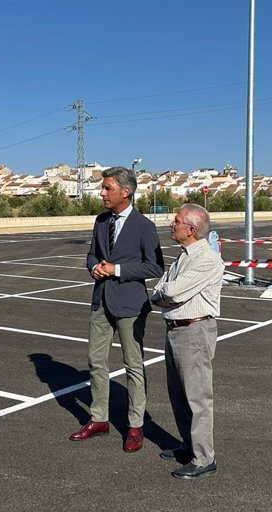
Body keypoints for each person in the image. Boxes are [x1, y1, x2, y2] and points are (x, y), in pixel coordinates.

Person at [70, 166, 164, 453]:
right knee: (95, 361)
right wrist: (94, 267)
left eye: (107, 188)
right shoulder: (100, 221)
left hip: (130, 304)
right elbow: (91, 254)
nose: (102, 193)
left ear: (126, 192)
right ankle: (99, 419)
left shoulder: (144, 226)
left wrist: (117, 269)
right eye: (103, 188)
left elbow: (155, 266)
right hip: (101, 301)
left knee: (133, 365)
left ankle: (135, 425)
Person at [150, 203, 224, 479]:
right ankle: (189, 445)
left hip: (194, 331)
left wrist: (162, 294)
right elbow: (161, 289)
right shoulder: (183, 256)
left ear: (191, 229)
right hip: (175, 329)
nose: (172, 223)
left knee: (197, 397)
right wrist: (162, 294)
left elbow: (173, 292)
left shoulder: (206, 258)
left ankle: (205, 459)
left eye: (177, 220)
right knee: (178, 393)